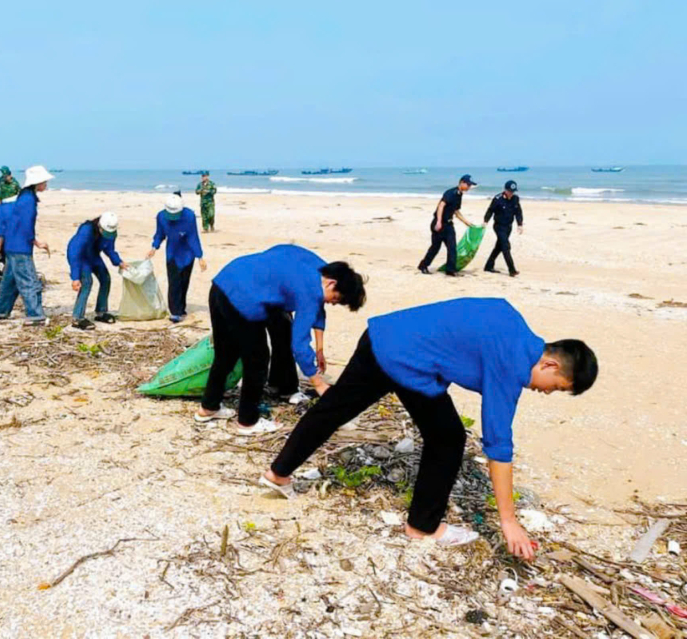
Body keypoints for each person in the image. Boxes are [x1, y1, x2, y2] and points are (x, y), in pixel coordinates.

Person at [262, 297, 598, 560]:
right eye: (554, 386)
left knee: (332, 410)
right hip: (405, 360)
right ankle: (422, 527)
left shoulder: (512, 321)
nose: (545, 392)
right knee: (448, 438)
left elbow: (454, 331)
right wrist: (508, 521)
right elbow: (498, 445)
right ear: (550, 364)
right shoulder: (511, 364)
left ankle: (278, 472)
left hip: (382, 336)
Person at [196, 246, 367, 435]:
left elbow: (281, 250)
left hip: (223, 282)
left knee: (226, 353)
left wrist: (319, 349)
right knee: (258, 360)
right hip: (244, 300)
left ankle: (208, 408)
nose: (332, 303)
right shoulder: (310, 292)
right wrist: (319, 384)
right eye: (336, 298)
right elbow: (299, 345)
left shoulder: (318, 267)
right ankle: (247, 422)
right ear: (331, 284)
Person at [0, 165, 54, 324]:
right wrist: (37, 242)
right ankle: (35, 315)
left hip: (13, 244)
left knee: (10, 281)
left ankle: (1, 311)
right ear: (37, 182)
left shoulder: (25, 196)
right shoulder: (28, 200)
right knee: (30, 281)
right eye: (44, 181)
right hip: (20, 246)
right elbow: (26, 225)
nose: (46, 184)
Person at [147, 193, 206, 323]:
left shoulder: (189, 216)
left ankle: (181, 308)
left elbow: (193, 237)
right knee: (174, 283)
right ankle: (175, 312)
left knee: (184, 282)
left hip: (187, 253)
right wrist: (154, 247)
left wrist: (199, 256)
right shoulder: (161, 216)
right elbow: (160, 234)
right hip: (172, 252)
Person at [66, 212, 127, 330]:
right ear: (99, 226)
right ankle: (77, 318)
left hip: (93, 256)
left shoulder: (111, 232)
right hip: (81, 257)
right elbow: (75, 253)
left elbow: (109, 249)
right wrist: (75, 277)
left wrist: (119, 262)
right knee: (87, 283)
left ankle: (101, 312)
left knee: (106, 279)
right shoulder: (86, 230)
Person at [418, 174, 477, 276]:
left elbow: (456, 211)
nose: (469, 187)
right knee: (435, 248)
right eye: (468, 184)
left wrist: (466, 222)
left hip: (449, 225)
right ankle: (423, 266)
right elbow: (441, 205)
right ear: (462, 182)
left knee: (452, 248)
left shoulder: (459, 195)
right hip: (439, 224)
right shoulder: (451, 193)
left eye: (470, 185)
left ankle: (450, 270)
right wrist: (439, 221)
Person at [484, 180, 524, 277]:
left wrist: (520, 224)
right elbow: (490, 210)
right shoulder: (498, 199)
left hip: (508, 227)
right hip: (499, 226)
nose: (511, 193)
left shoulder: (515, 199)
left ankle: (488, 266)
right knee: (506, 247)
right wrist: (485, 221)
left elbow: (518, 212)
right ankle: (512, 270)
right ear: (505, 190)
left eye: (513, 191)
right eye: (510, 191)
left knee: (499, 247)